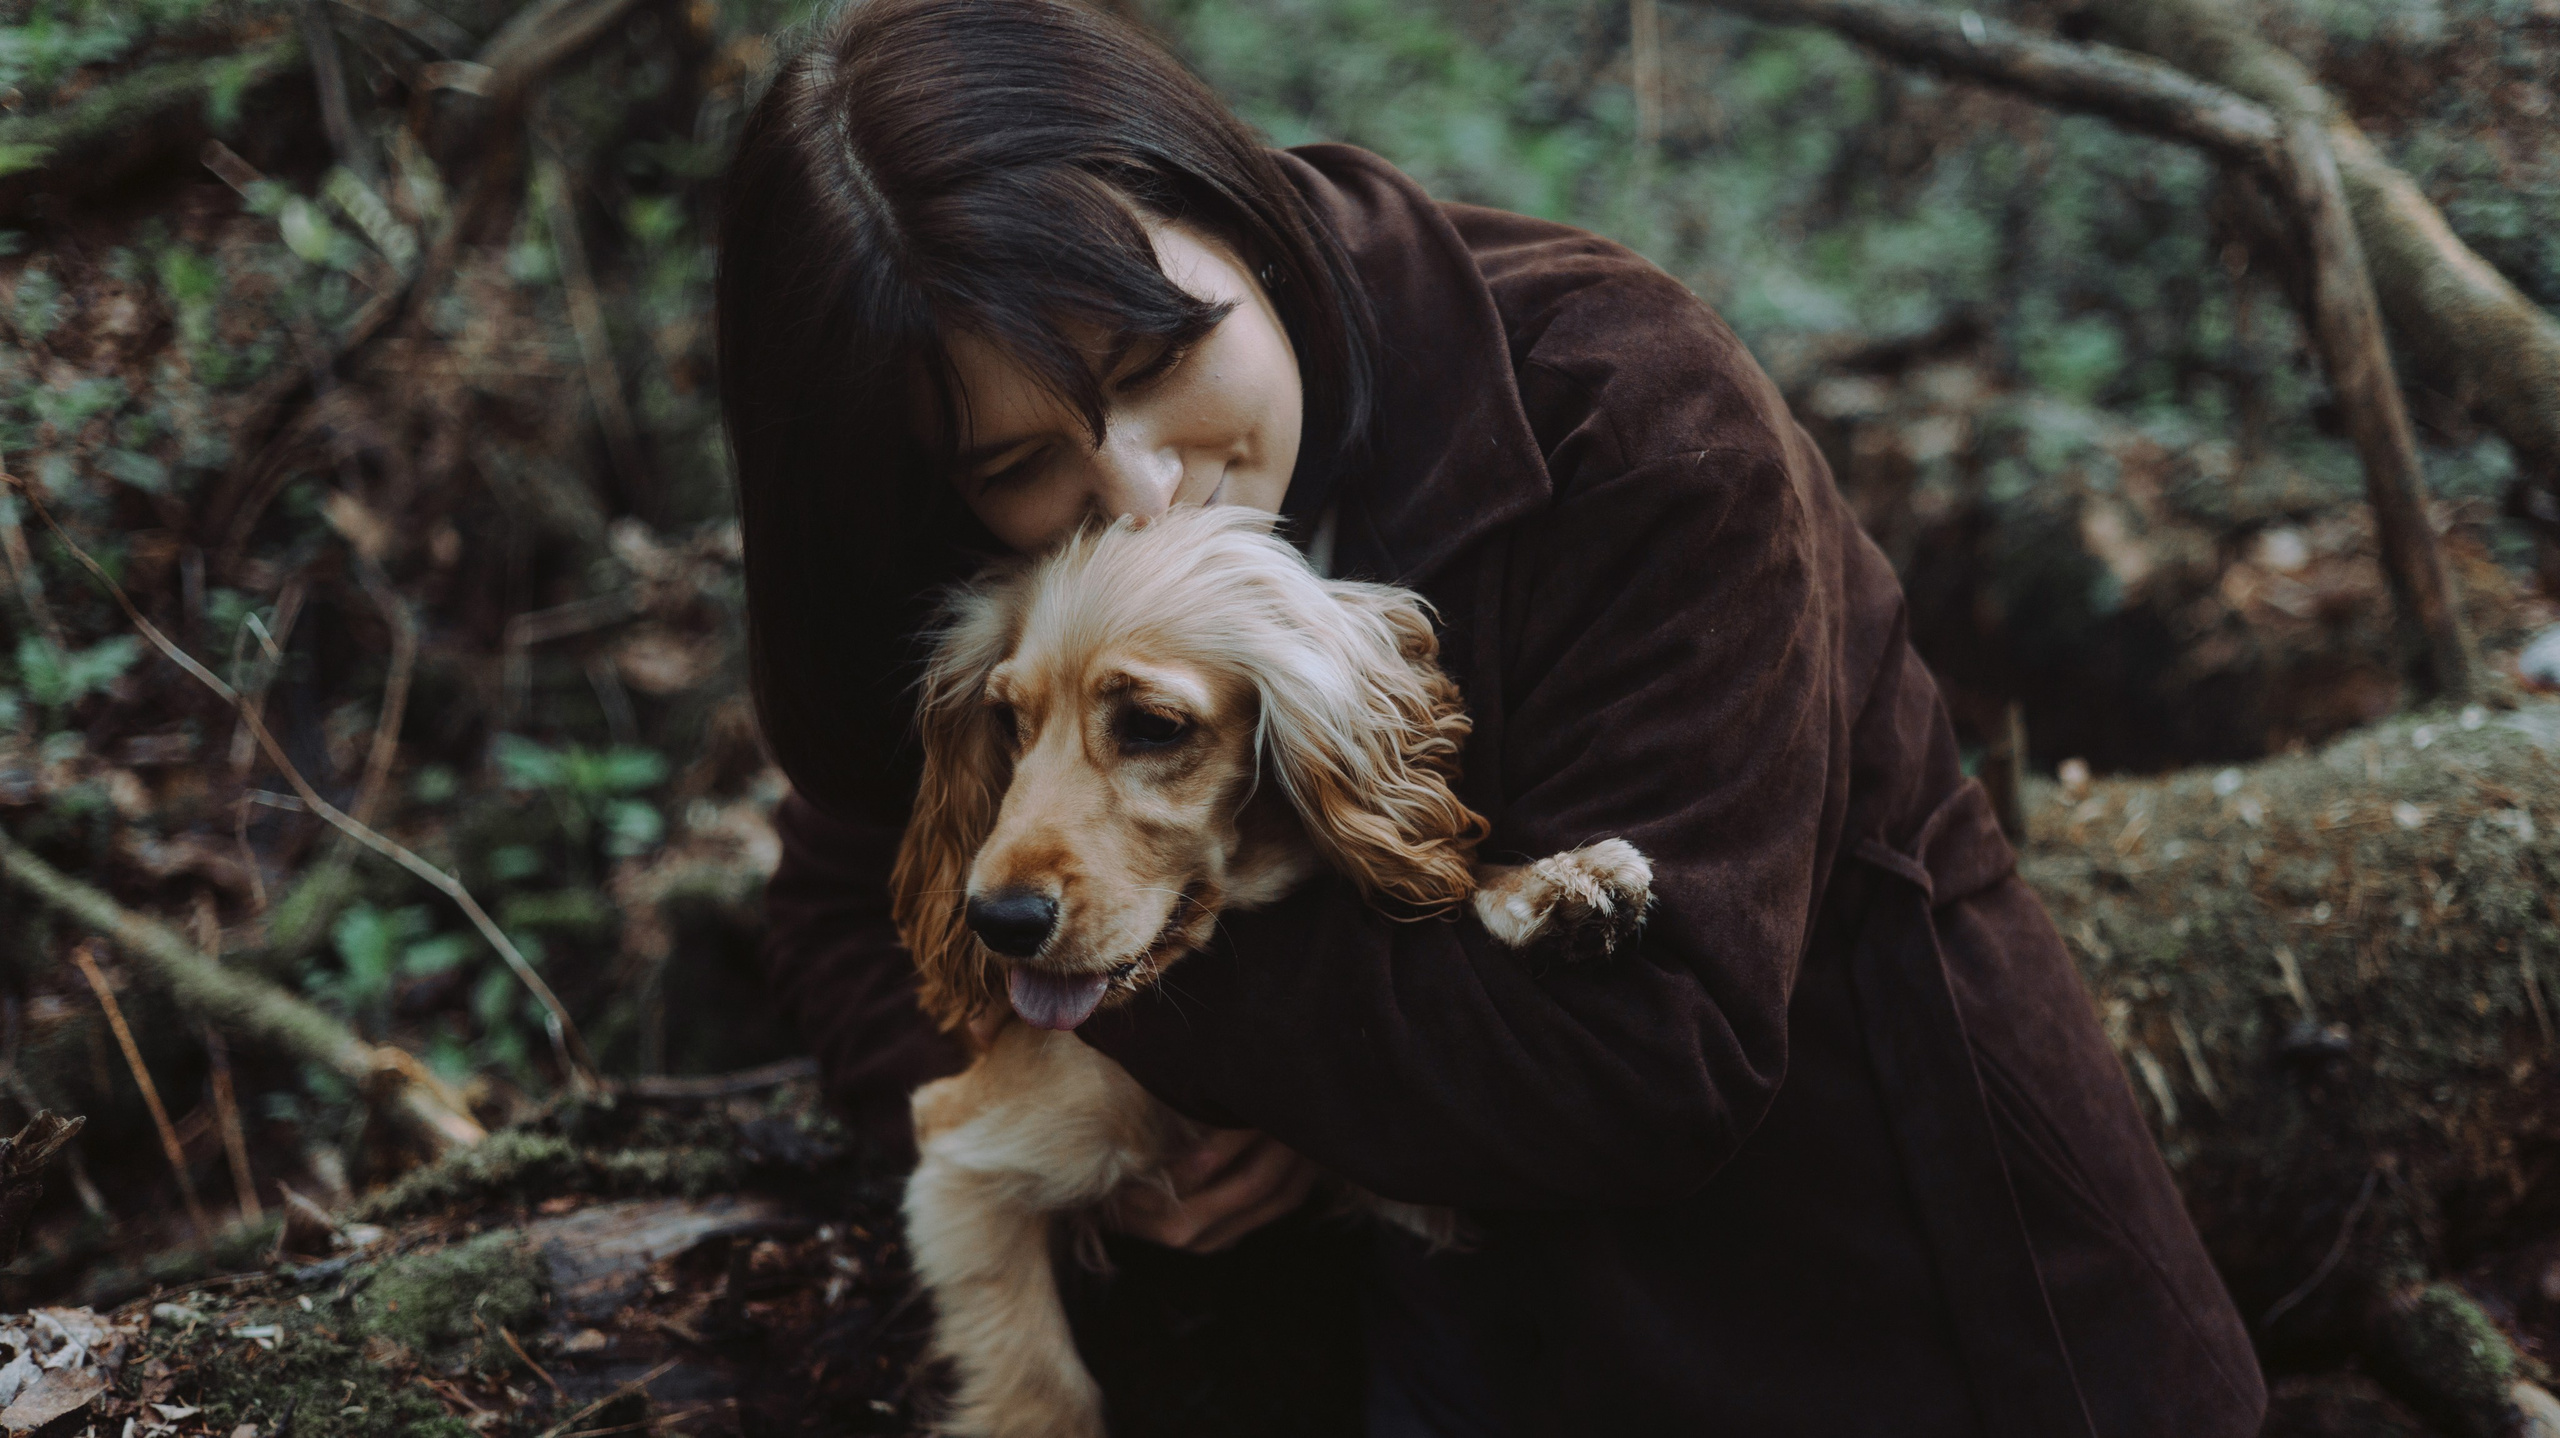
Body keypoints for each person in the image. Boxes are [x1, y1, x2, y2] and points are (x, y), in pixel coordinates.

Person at [717, 0, 2268, 1433]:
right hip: (1412, 1358)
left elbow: (1654, 1053)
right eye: (1017, 462)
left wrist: (1162, 1016)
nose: (1134, 488)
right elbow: (858, 893)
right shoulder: (996, 555)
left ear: (1230, 202)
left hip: (1876, 1310)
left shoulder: (1627, 405)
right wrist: (1070, 1129)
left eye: (1156, 360)